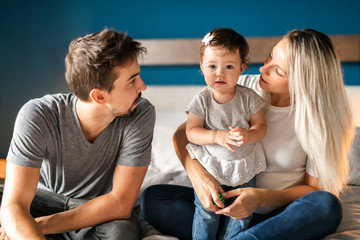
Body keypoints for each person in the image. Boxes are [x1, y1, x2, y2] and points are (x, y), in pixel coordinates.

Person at [141, 29, 355, 240]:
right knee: (152, 197)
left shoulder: (318, 122)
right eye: (270, 56)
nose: (263, 68)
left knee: (327, 205)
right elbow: (183, 134)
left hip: (278, 217)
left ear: (305, 82)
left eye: (278, 71)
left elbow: (313, 189)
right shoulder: (242, 84)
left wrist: (260, 199)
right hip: (225, 204)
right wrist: (199, 177)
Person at [0, 29, 155, 240]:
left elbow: (120, 203)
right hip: (41, 200)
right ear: (99, 96)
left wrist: (35, 227)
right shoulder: (38, 114)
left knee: (122, 232)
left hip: (97, 209)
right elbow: (16, 204)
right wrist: (20, 221)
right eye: (132, 80)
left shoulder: (140, 112)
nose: (143, 86)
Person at [185, 28, 267, 240]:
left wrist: (250, 135)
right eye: (212, 66)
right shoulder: (202, 100)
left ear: (241, 69)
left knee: (242, 213)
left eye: (229, 66)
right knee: (207, 210)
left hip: (244, 165)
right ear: (202, 67)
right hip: (211, 165)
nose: (219, 73)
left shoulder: (248, 97)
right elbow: (191, 132)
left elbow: (261, 125)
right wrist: (216, 136)